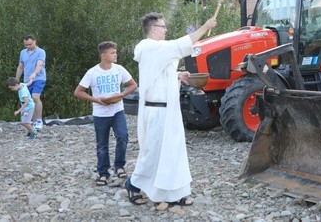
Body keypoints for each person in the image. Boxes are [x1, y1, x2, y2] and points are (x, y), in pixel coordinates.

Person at [125, 13, 216, 206]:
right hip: (157, 110)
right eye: (163, 26)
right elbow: (178, 46)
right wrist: (205, 27)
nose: (166, 30)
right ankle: (133, 184)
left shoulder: (155, 50)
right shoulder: (150, 47)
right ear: (153, 28)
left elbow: (158, 73)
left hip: (167, 110)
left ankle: (175, 193)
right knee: (153, 153)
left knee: (172, 152)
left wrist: (177, 75)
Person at [74, 41, 138, 187]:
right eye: (113, 52)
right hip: (100, 114)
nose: (116, 55)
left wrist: (122, 94)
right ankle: (103, 173)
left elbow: (133, 85)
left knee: (122, 136)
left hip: (117, 111)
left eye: (115, 52)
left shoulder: (119, 69)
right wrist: (96, 100)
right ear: (104, 55)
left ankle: (119, 166)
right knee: (102, 145)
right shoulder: (92, 72)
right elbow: (78, 92)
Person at [15, 35, 46, 131]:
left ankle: (39, 120)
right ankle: (31, 121)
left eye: (30, 44)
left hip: (39, 78)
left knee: (35, 97)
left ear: (35, 42)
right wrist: (16, 79)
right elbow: (21, 67)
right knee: (27, 100)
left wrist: (34, 74)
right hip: (26, 80)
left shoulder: (41, 52)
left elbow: (39, 64)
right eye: (26, 45)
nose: (28, 46)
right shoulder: (23, 53)